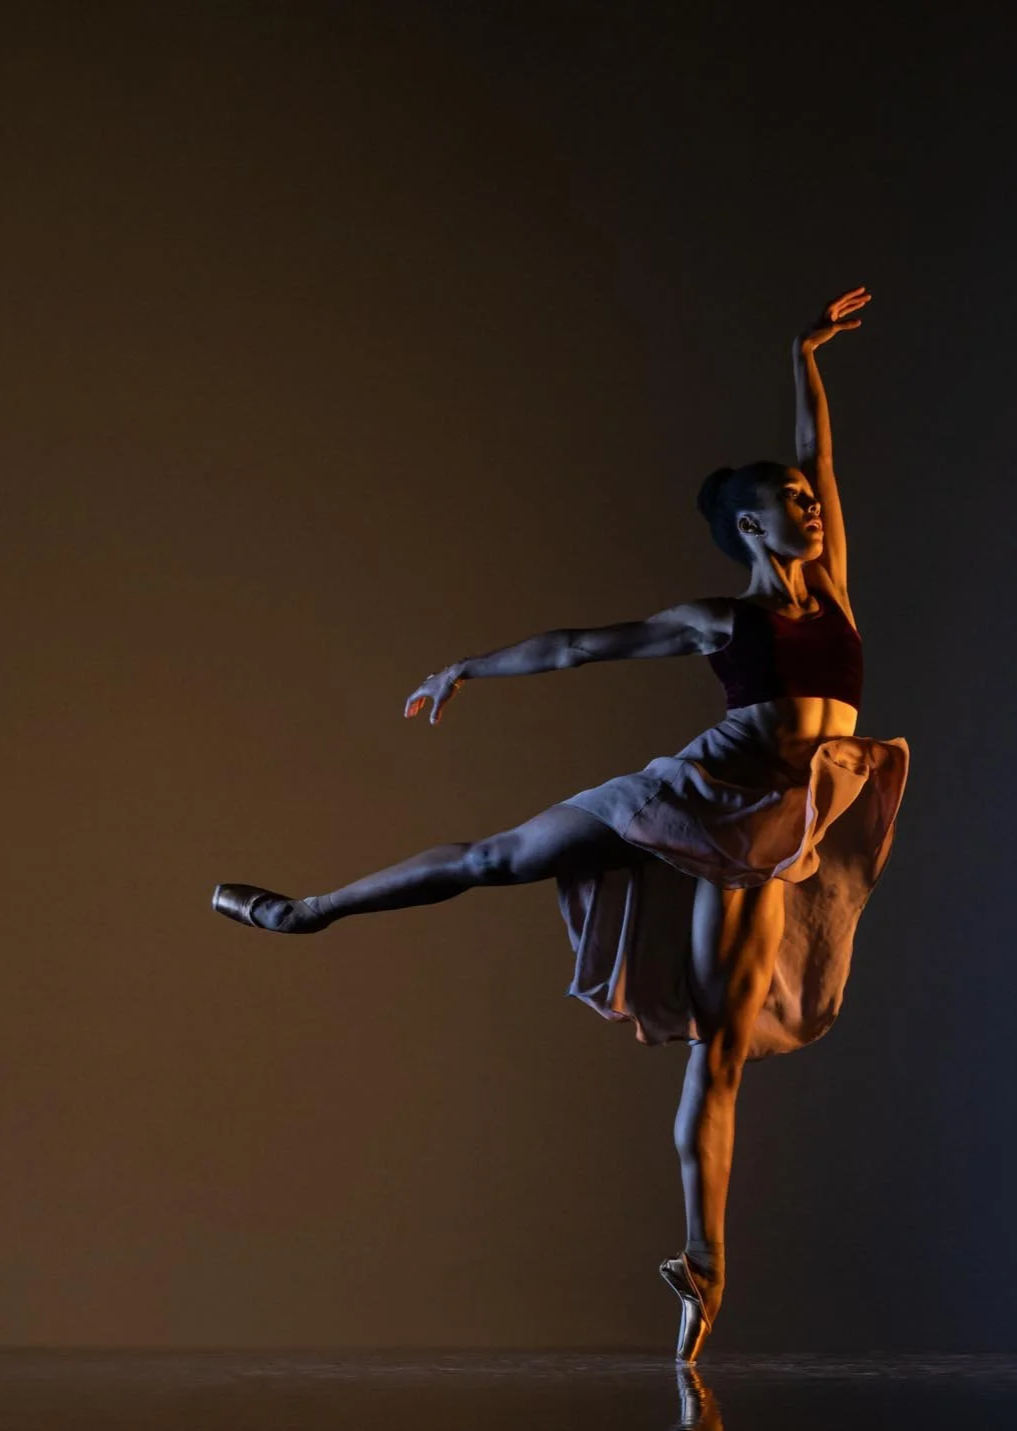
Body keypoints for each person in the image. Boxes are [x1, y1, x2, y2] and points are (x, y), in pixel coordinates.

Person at [213, 287, 909, 1363]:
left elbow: (822, 449)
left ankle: (703, 1271)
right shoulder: (724, 620)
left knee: (721, 1053)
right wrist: (467, 669)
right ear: (746, 525)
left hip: (771, 830)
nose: (810, 506)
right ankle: (307, 910)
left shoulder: (837, 601)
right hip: (690, 793)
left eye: (811, 498)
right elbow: (581, 647)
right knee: (503, 857)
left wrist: (801, 354)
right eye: (786, 499)